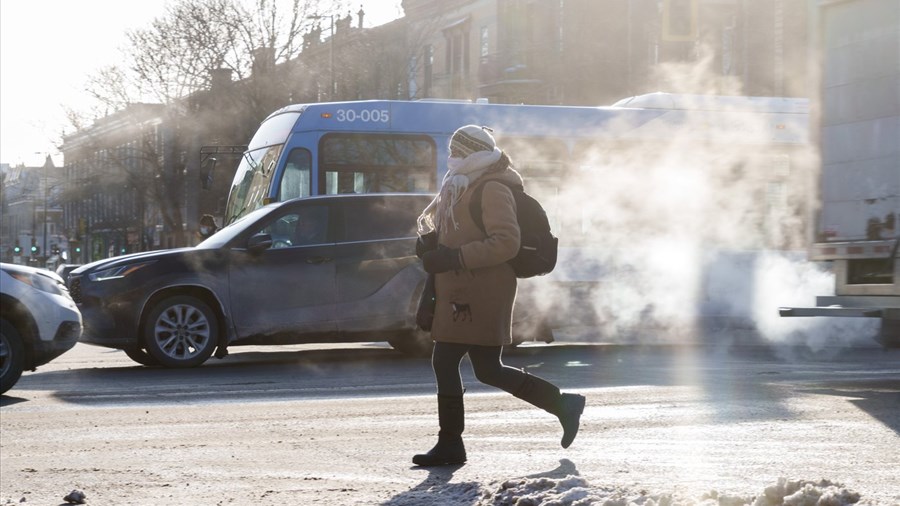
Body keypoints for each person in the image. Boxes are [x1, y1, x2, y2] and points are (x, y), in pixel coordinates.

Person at [412, 125, 585, 467]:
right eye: (452, 150)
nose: (452, 157)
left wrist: (453, 257)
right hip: (459, 288)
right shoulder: (460, 185)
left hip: (485, 290)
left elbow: (506, 242)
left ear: (474, 153)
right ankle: (563, 404)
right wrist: (432, 247)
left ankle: (450, 444)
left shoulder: (491, 187)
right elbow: (458, 234)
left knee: (447, 360)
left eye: (458, 151)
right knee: (487, 368)